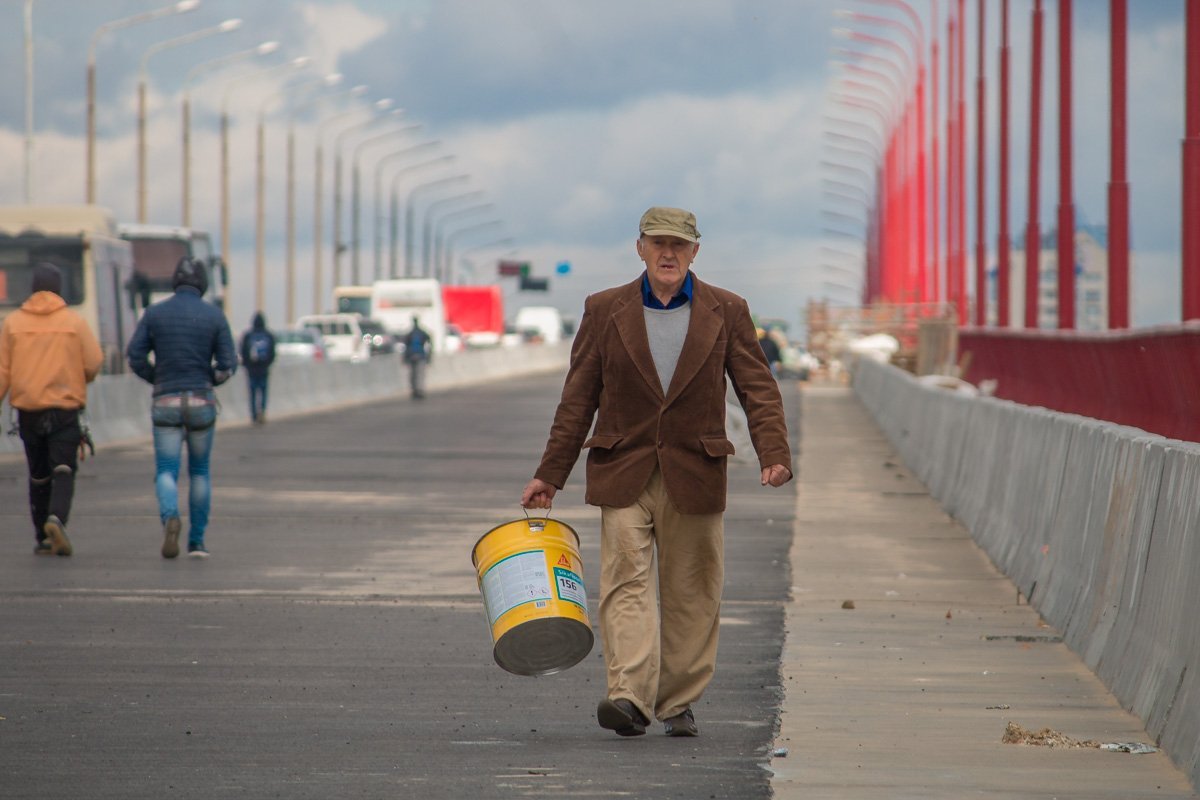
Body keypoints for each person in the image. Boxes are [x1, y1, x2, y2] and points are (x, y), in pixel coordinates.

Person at [520, 207, 793, 738]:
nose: (669, 254)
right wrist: (550, 475)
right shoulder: (604, 310)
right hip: (624, 466)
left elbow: (756, 387)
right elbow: (578, 399)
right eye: (658, 243)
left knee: (693, 592)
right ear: (639, 247)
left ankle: (676, 701)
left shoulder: (727, 309)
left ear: (696, 252)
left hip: (696, 469)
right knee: (625, 584)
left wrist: (773, 453)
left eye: (680, 245)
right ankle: (629, 697)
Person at [126, 257, 236, 560]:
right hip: (201, 400)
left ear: (175, 281)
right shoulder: (214, 316)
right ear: (203, 283)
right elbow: (229, 365)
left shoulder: (154, 314)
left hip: (165, 400)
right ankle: (197, 542)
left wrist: (156, 378)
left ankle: (170, 516)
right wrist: (209, 380)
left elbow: (134, 357)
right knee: (200, 472)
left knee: (166, 470)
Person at [0, 262, 103, 556]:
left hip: (28, 410)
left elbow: (3, 371)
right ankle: (57, 519)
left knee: (38, 474)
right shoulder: (74, 322)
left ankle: (42, 536)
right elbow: (94, 362)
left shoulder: (13, 323)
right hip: (64, 408)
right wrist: (80, 376)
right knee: (63, 469)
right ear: (59, 288)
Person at [239, 312, 276, 425]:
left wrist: (247, 365)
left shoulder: (248, 335)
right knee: (263, 391)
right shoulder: (268, 335)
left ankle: (254, 415)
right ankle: (262, 411)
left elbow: (243, 352)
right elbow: (273, 353)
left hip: (251, 370)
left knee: (252, 392)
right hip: (264, 369)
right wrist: (267, 364)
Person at [401, 315, 432, 399]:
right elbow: (430, 341)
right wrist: (429, 355)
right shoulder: (419, 333)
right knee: (418, 374)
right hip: (419, 356)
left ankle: (417, 390)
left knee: (415, 374)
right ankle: (418, 390)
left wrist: (405, 357)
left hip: (414, 356)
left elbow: (405, 346)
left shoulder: (412, 333)